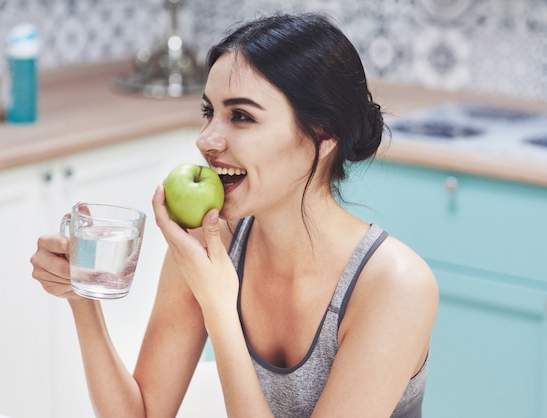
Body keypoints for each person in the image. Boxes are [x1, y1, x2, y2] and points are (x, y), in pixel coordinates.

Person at [30, 12, 438, 418]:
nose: (205, 140)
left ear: (323, 134)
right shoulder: (213, 244)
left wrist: (220, 310)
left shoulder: (394, 286)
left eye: (241, 116)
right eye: (210, 112)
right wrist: (81, 297)